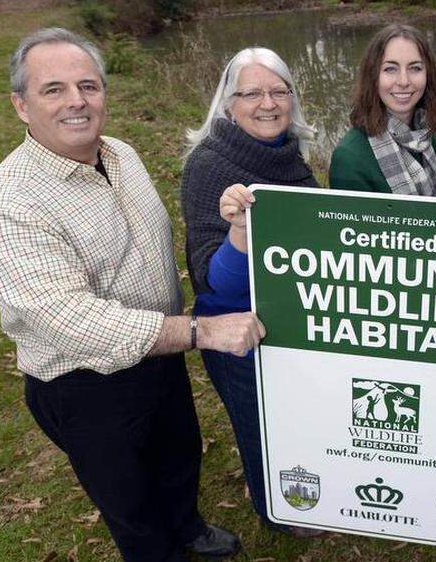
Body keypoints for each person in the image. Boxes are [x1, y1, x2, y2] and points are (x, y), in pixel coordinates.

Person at [0, 27, 263, 562]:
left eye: (89, 85)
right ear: (21, 106)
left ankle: (188, 525)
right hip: (86, 383)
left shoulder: (121, 154)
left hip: (161, 353)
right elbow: (69, 319)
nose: (76, 101)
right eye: (53, 89)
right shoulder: (2, 206)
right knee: (128, 497)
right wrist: (200, 330)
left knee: (177, 453)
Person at [180, 47, 321, 537]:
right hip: (236, 333)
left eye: (279, 91)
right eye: (253, 93)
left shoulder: (290, 155)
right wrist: (241, 233)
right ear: (228, 104)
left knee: (295, 414)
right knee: (258, 424)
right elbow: (212, 277)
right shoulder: (210, 165)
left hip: (292, 318)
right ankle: (276, 510)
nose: (268, 103)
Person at [329, 24, 436, 195]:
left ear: (428, 74)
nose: (403, 81)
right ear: (373, 76)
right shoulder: (349, 158)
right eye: (390, 69)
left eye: (415, 68)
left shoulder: (427, 133)